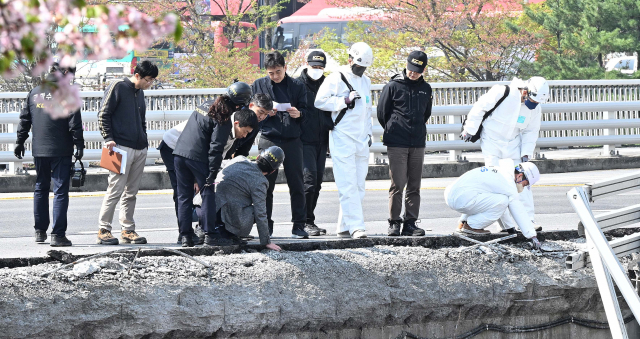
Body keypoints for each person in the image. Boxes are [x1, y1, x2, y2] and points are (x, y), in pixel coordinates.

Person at [159, 85, 256, 245]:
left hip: (179, 153)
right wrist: (212, 174)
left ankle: (185, 236)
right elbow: (216, 148)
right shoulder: (224, 117)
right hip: (197, 158)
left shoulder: (207, 104)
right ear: (240, 104)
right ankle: (210, 235)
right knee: (208, 194)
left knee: (184, 197)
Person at [460, 76, 549, 232]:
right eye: (532, 101)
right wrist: (470, 129)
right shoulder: (502, 92)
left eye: (537, 103)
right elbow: (479, 108)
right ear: (526, 91)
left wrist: (526, 153)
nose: (533, 105)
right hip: (491, 142)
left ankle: (528, 221)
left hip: (513, 143)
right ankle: (505, 225)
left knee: (521, 180)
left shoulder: (535, 108)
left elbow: (531, 131)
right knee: (496, 181)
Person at [14, 63, 83, 247]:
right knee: (60, 190)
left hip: (39, 149)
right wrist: (79, 145)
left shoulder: (35, 91)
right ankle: (58, 235)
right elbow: (74, 123)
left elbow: (25, 120)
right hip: (61, 149)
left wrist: (20, 142)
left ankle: (40, 231)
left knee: (41, 187)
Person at [315, 42, 374, 239]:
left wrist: (369, 134)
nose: (360, 70)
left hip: (361, 139)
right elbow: (319, 101)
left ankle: (344, 225)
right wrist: (343, 101)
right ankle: (357, 227)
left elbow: (368, 110)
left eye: (364, 67)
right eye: (358, 66)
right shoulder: (336, 77)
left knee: (359, 185)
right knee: (347, 183)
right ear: (349, 59)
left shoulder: (366, 81)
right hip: (342, 136)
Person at [96, 60, 157, 245]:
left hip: (139, 147)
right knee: (115, 189)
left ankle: (127, 229)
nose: (150, 84)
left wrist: (145, 141)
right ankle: (104, 229)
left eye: (153, 80)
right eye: (148, 79)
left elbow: (142, 120)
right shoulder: (118, 86)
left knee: (131, 192)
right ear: (137, 75)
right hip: (119, 147)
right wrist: (108, 139)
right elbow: (103, 113)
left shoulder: (140, 93)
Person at [251, 51, 311, 239]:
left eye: (278, 71)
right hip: (269, 136)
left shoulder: (297, 86)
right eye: (271, 73)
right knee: (265, 184)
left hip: (293, 139)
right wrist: (265, 113)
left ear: (285, 68)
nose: (275, 76)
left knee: (297, 183)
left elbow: (308, 112)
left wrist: (299, 114)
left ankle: (299, 225)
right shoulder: (259, 84)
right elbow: (252, 111)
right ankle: (265, 225)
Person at [377, 50, 433, 237]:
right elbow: (382, 113)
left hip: (417, 141)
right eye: (411, 68)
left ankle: (410, 222)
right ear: (406, 65)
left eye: (417, 70)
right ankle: (394, 222)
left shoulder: (426, 88)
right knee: (398, 183)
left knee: (415, 185)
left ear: (423, 69)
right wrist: (394, 128)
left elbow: (426, 114)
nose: (413, 73)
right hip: (397, 141)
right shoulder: (393, 86)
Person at [444, 162, 542, 250]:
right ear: (520, 176)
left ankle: (462, 223)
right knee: (502, 201)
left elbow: (492, 203)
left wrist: (509, 228)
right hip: (462, 199)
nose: (523, 187)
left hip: (452, 195)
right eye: (525, 184)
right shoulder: (510, 184)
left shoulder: (501, 173)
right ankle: (471, 226)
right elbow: (517, 209)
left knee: (494, 199)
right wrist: (531, 235)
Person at [210, 146, 284, 251]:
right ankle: (228, 231)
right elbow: (260, 213)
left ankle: (208, 227)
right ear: (273, 171)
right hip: (224, 216)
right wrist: (266, 241)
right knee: (254, 211)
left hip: (206, 208)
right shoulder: (260, 182)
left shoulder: (239, 159)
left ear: (258, 157)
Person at [297, 50, 333, 236]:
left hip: (322, 140)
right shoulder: (297, 84)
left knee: (318, 182)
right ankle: (303, 221)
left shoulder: (328, 83)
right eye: (314, 66)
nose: (317, 70)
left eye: (320, 67)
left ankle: (310, 220)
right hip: (304, 141)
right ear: (307, 64)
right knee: (308, 181)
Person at [224, 93, 273, 160]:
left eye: (266, 114)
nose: (262, 117)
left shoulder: (257, 122)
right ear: (251, 105)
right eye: (260, 112)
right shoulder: (235, 115)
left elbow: (246, 147)